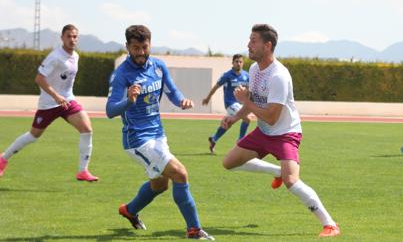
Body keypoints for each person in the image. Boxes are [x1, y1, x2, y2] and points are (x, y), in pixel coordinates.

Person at [221, 24, 340, 238]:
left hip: (286, 133)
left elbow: (271, 116)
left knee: (291, 181)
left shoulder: (279, 77)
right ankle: (276, 171)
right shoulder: (256, 70)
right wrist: (234, 117)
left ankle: (330, 224)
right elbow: (254, 101)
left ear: (267, 46)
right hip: (264, 132)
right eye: (249, 40)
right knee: (228, 162)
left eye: (253, 41)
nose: (248, 45)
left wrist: (245, 100)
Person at [106, 25, 214, 240]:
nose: (140, 52)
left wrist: (181, 101)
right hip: (137, 140)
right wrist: (128, 100)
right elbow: (110, 110)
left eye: (144, 47)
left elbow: (172, 91)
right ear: (127, 46)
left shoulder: (158, 66)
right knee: (180, 173)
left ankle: (129, 210)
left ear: (150, 45)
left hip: (157, 135)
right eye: (135, 48)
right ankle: (194, 230)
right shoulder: (121, 74)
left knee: (160, 184)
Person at [0, 24, 98, 182]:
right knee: (33, 136)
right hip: (49, 104)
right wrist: (56, 96)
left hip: (67, 101)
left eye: (75, 37)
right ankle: (3, 159)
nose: (72, 39)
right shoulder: (55, 56)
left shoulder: (76, 56)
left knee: (87, 129)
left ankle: (83, 171)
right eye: (69, 36)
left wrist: (64, 97)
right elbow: (39, 78)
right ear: (62, 38)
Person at [202, 54, 250, 154]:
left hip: (241, 104)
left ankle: (213, 139)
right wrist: (207, 98)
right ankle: (241, 141)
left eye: (240, 62)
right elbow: (216, 86)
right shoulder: (227, 75)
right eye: (236, 61)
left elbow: (250, 90)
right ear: (232, 63)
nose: (238, 63)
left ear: (243, 63)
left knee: (227, 124)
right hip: (230, 103)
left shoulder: (246, 75)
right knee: (247, 118)